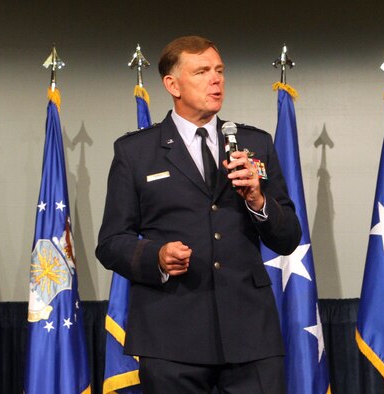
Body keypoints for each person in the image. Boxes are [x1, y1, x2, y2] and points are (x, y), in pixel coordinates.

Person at [96, 35, 301, 394]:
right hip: (171, 336)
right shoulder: (135, 152)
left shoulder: (256, 144)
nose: (216, 80)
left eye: (219, 70)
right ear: (172, 85)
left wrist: (257, 199)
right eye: (202, 71)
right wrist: (156, 256)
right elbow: (112, 243)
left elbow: (288, 237)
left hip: (250, 336)